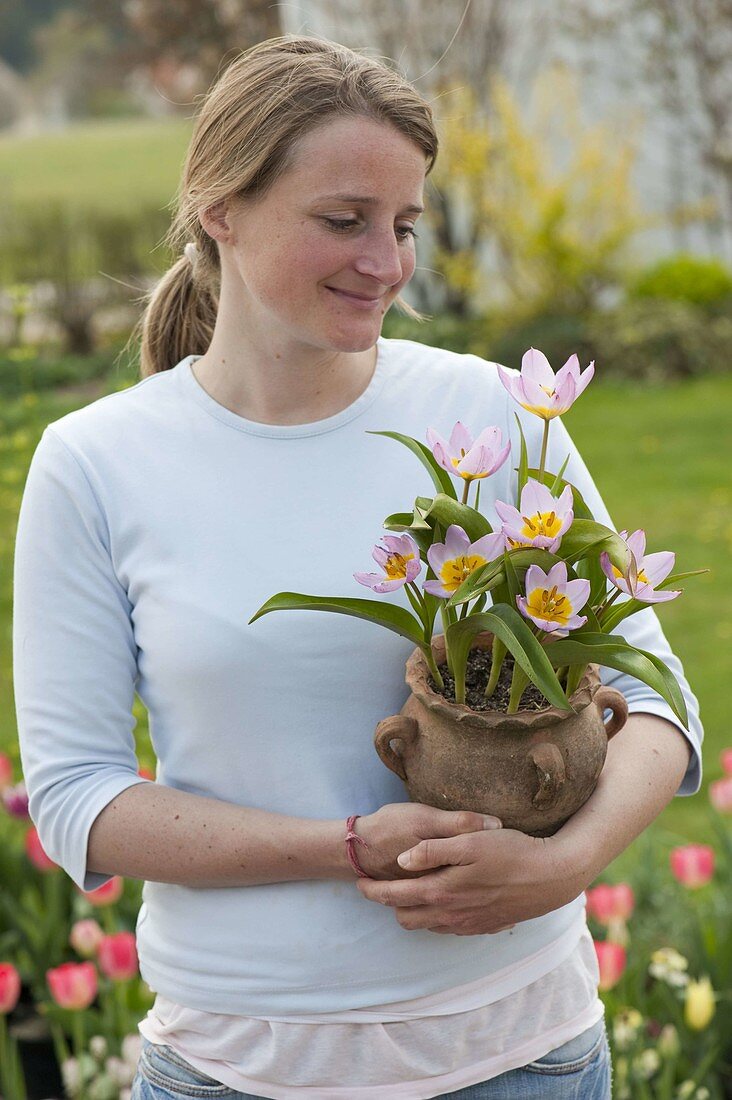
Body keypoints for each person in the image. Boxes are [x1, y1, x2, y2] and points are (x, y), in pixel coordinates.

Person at [12, 34, 702, 1100]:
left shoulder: (494, 418)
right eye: (343, 220)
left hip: (523, 1055)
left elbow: (656, 697)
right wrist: (345, 844)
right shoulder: (99, 464)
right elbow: (78, 801)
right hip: (241, 1064)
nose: (386, 261)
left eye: (405, 225)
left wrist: (563, 865)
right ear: (222, 209)